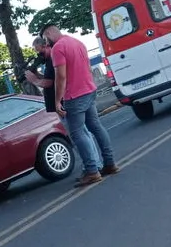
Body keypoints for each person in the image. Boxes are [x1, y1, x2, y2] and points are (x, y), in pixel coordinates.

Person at [41, 24, 120, 187]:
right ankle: (110, 163)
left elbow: (61, 77)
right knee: (96, 127)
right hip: (89, 90)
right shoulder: (77, 42)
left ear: (49, 33)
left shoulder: (58, 48)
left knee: (77, 134)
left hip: (74, 96)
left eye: (44, 38)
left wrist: (57, 101)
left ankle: (92, 171)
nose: (45, 42)